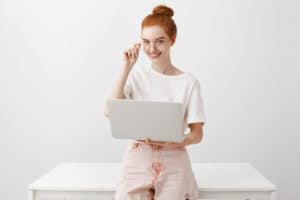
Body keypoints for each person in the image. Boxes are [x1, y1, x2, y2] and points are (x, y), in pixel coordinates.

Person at [104, 5, 206, 200]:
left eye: (159, 42)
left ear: (172, 40)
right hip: (137, 158)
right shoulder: (136, 74)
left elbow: (197, 134)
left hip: (174, 158)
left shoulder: (189, 82)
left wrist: (176, 141)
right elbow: (109, 110)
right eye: (146, 42)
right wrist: (126, 67)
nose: (152, 48)